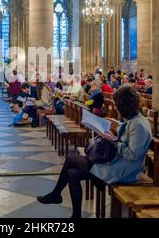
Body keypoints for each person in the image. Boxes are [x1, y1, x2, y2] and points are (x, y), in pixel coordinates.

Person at [37, 86, 152, 218]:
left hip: (125, 171)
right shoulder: (134, 120)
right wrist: (113, 138)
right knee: (72, 174)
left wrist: (113, 141)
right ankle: (75, 215)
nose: (116, 108)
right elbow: (127, 145)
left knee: (71, 159)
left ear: (124, 105)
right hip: (118, 163)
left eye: (117, 105)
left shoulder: (139, 125)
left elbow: (132, 154)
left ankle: (56, 194)